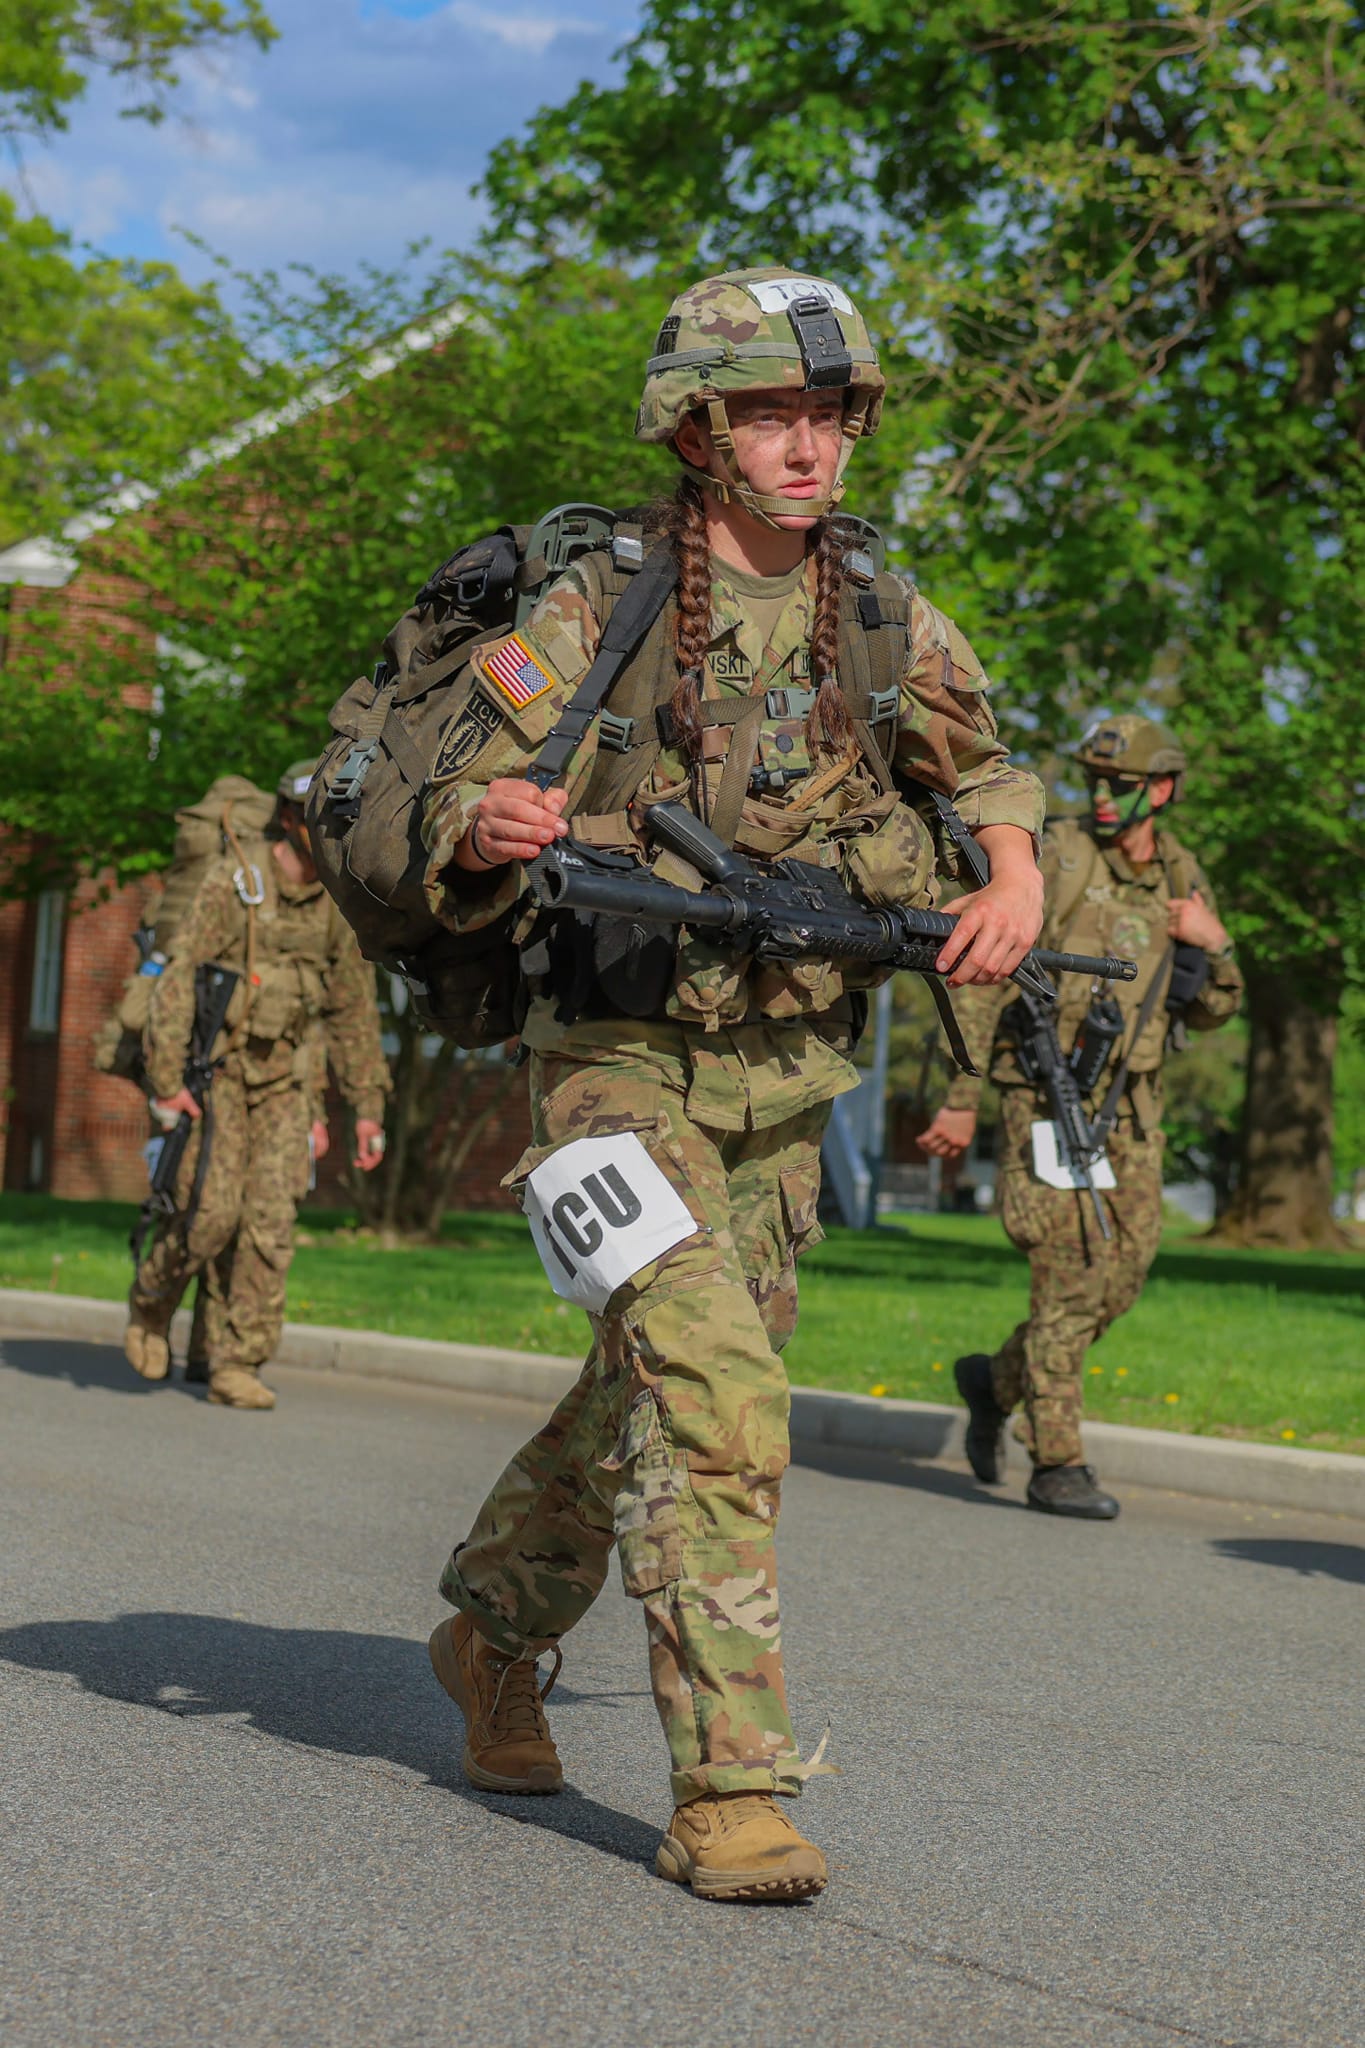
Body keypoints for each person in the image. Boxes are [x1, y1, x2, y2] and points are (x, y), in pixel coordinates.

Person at [417, 267, 1046, 1902]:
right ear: (697, 428)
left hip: (783, 1083)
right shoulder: (604, 601)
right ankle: (732, 1791)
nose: (807, 441)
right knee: (718, 1396)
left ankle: (489, 1629)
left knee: (652, 1388)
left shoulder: (884, 614)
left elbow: (984, 768)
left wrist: (1019, 875)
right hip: (613, 1068)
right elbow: (462, 784)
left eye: (829, 411)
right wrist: (487, 824)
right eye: (771, 409)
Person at [921, 715, 1243, 1519]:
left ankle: (992, 1382)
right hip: (1045, 1096)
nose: (1101, 798)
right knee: (1067, 1279)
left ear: (1160, 791)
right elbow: (989, 970)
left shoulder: (1180, 872)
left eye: (1121, 786)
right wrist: (961, 1102)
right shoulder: (1056, 855)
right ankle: (1056, 1462)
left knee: (1119, 1282)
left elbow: (1209, 1013)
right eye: (1094, 782)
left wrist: (1214, 942)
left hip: (1131, 1115)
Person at [124, 762, 390, 1409]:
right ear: (292, 819)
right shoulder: (237, 882)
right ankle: (151, 1304)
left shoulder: (335, 902)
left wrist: (364, 1108)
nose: (330, 830)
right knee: (208, 1216)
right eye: (320, 817)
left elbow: (352, 1010)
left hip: (285, 1084)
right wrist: (166, 1084)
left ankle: (235, 1360)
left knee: (269, 1224)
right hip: (216, 1076)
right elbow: (179, 977)